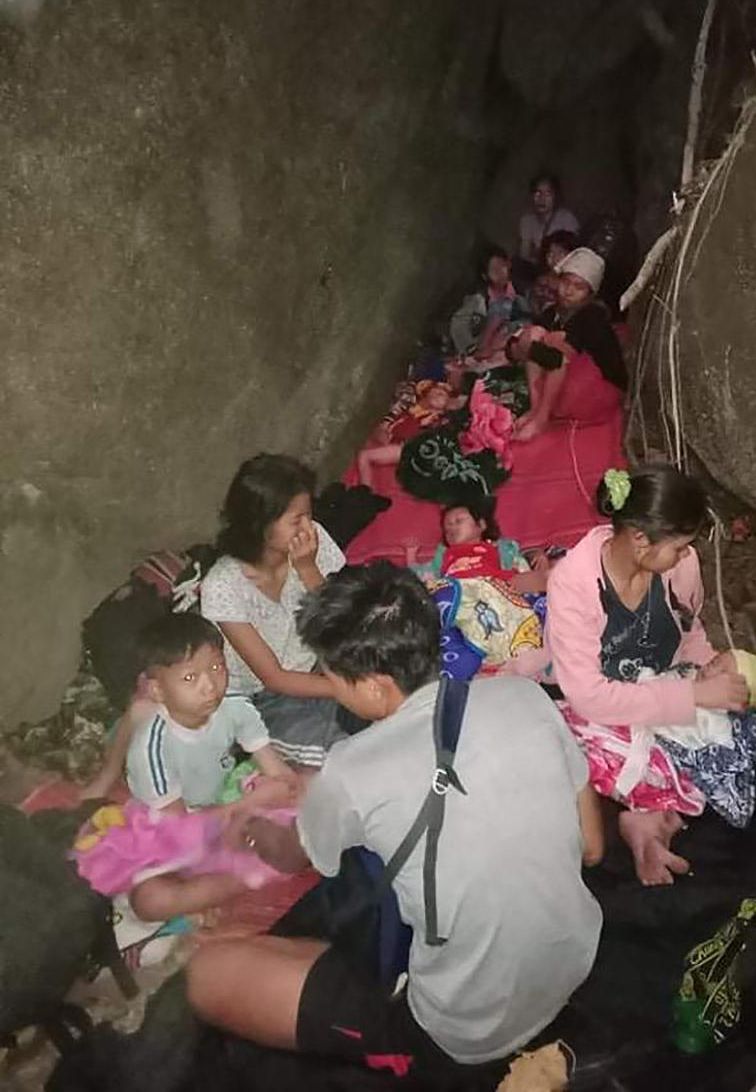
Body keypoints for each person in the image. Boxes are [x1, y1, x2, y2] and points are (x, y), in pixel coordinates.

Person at [186, 561, 603, 1071]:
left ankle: (395, 1043)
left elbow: (293, 854)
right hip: (574, 961)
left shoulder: (350, 769)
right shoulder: (524, 696)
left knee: (207, 974)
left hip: (463, 1026)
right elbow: (593, 847)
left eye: (331, 675)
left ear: (375, 687)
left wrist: (257, 826)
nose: (330, 685)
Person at [546, 466, 756, 887]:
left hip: (666, 690)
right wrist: (695, 696)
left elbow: (689, 631)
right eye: (679, 547)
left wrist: (716, 672)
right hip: (603, 713)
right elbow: (589, 698)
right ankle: (652, 817)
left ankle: (652, 816)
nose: (686, 556)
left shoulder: (680, 569)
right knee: (569, 778)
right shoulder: (573, 585)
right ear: (641, 539)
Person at [74, 613, 296, 924]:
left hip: (224, 798)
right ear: (157, 690)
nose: (210, 687)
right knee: (151, 902)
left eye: (217, 668)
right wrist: (250, 805)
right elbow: (181, 830)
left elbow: (281, 774)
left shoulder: (234, 707)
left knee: (307, 809)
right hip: (173, 824)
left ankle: (223, 882)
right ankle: (239, 877)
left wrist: (275, 791)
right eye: (190, 678)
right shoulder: (150, 749)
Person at [200, 454, 347, 769]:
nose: (308, 527)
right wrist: (351, 687)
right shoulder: (223, 585)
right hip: (267, 698)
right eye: (296, 520)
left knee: (396, 709)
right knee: (341, 753)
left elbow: (341, 621)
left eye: (308, 514)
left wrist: (307, 570)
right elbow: (274, 677)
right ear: (260, 525)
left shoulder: (313, 541)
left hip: (323, 667)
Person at [512, 247, 626, 442]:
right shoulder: (554, 312)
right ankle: (536, 408)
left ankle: (541, 420)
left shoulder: (592, 315)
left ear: (590, 293)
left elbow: (558, 354)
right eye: (566, 282)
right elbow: (514, 349)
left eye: (579, 287)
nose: (569, 291)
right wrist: (528, 338)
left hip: (603, 387)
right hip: (572, 377)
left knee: (553, 346)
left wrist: (534, 343)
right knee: (535, 337)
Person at [405, 499, 550, 594]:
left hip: (496, 587)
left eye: (458, 521)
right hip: (459, 591)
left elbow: (518, 564)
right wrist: (411, 556)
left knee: (544, 578)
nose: (451, 527)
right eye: (447, 526)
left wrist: (537, 558)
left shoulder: (499, 547)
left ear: (481, 525)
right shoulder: (445, 555)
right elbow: (423, 576)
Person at [448, 245, 528, 361]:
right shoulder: (477, 299)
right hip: (478, 354)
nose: (501, 273)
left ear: (509, 265)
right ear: (485, 276)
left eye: (502, 266)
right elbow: (458, 324)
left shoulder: (519, 294)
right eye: (494, 270)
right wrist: (472, 349)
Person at [517, 173, 580, 266]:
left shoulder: (566, 218)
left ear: (555, 196)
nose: (542, 199)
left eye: (547, 194)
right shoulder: (527, 221)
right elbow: (524, 254)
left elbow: (575, 253)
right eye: (537, 193)